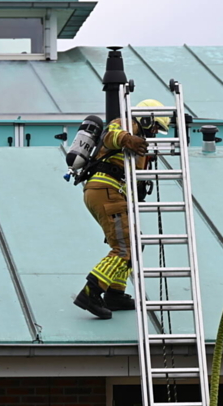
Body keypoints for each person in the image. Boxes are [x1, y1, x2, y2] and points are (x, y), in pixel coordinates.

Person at [73, 99, 170, 319]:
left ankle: (115, 293)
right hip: (107, 190)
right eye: (155, 126)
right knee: (125, 247)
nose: (155, 132)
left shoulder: (139, 145)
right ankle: (91, 292)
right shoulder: (126, 124)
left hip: (110, 193)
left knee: (134, 243)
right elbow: (111, 135)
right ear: (146, 119)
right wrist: (128, 139)